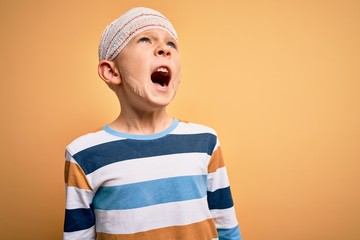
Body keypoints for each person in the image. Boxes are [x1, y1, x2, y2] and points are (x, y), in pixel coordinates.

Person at [64, 7, 241, 240]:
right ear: (111, 71)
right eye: (145, 39)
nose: (163, 50)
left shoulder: (206, 142)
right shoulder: (83, 154)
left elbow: (227, 229)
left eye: (171, 44)